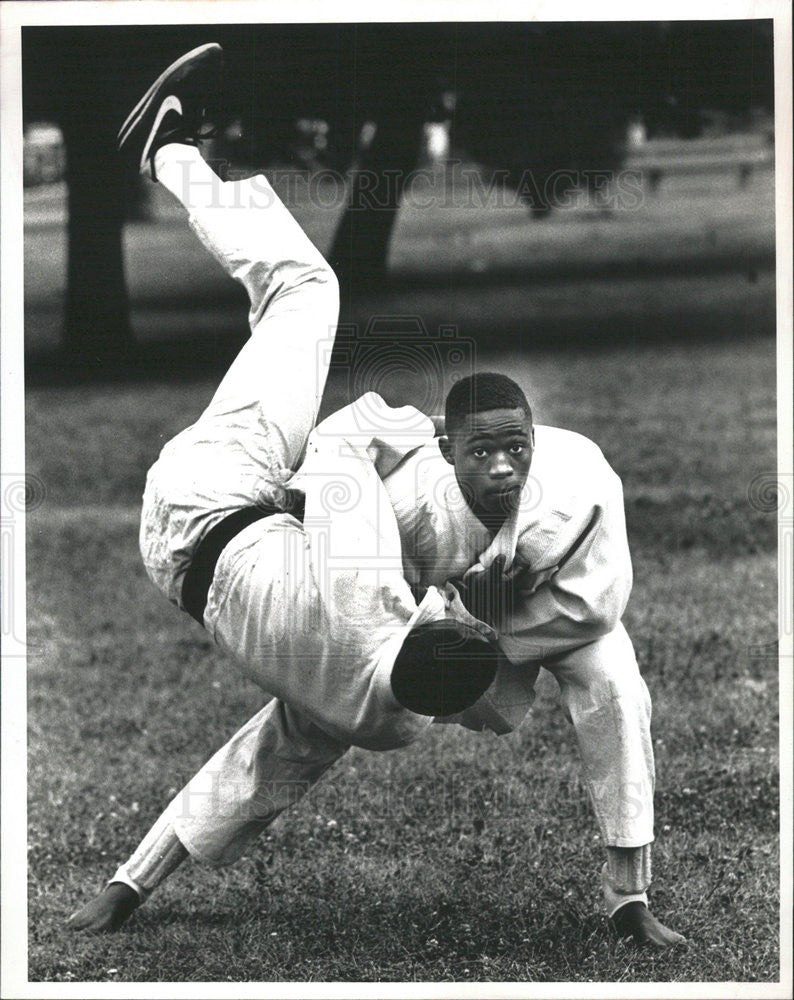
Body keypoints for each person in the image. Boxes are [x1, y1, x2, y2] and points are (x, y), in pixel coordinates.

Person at [70, 44, 685, 949]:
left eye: (514, 458)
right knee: (307, 290)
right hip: (246, 497)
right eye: (490, 455)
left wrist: (135, 877)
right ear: (453, 440)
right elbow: (342, 441)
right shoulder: (425, 557)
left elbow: (270, 756)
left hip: (216, 502)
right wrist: (131, 882)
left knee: (306, 290)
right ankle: (171, 149)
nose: (506, 474)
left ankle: (174, 152)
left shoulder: (391, 651)